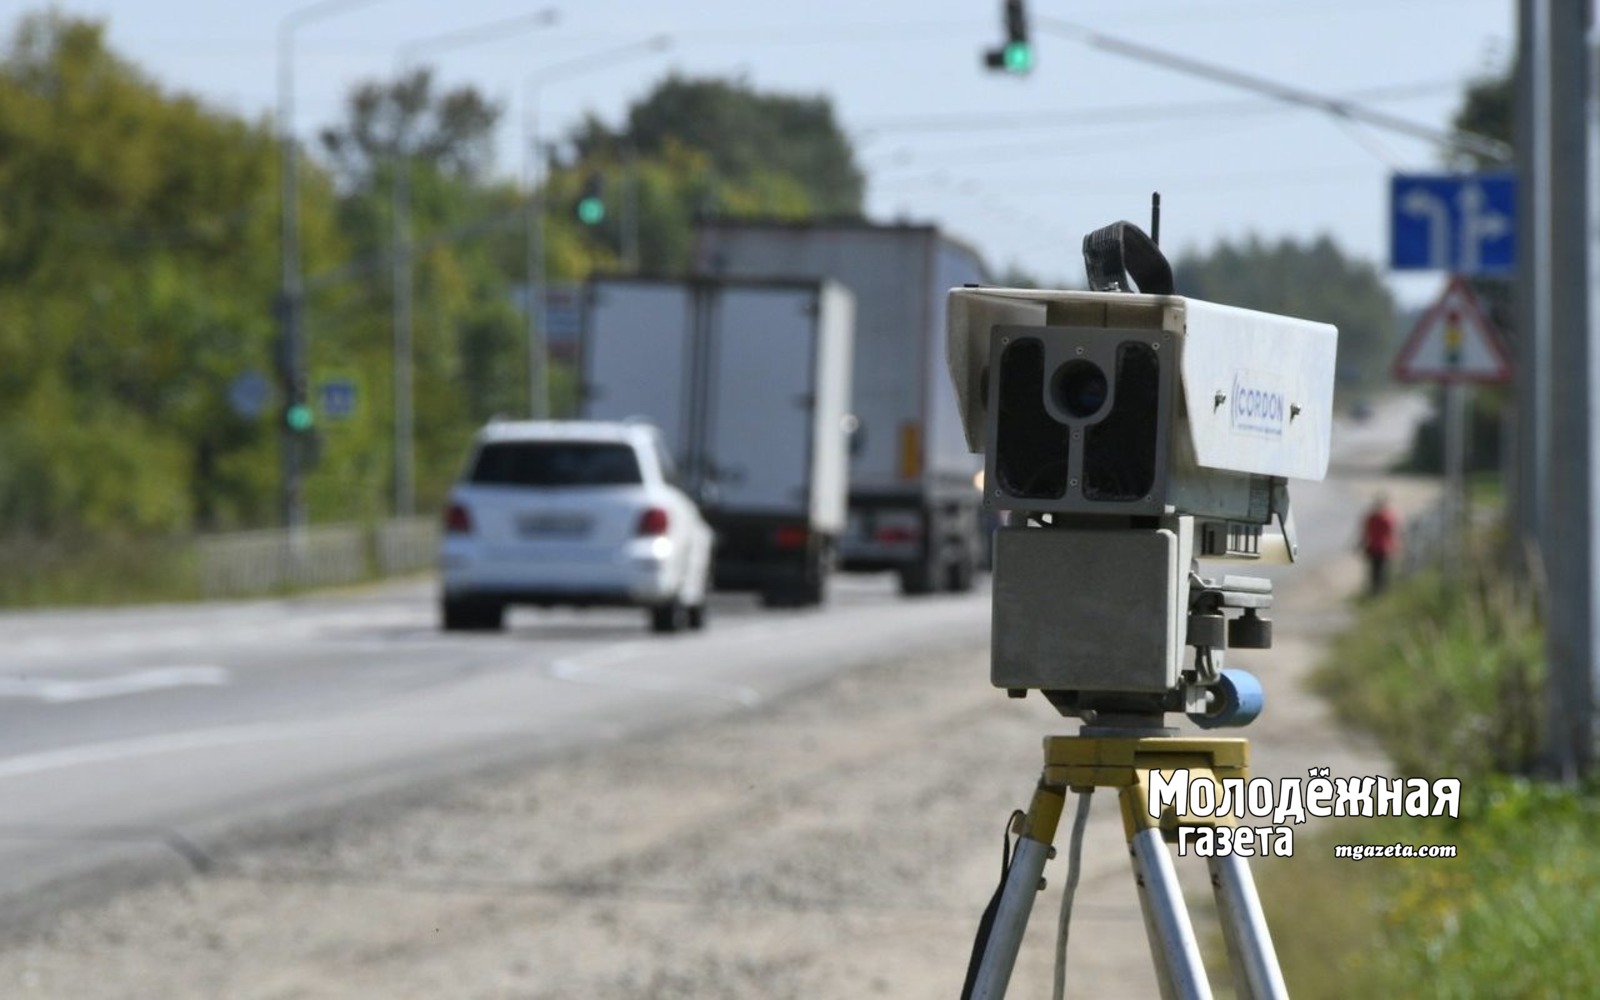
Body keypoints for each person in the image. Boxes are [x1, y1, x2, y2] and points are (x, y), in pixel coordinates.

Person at [1360, 495, 1400, 595]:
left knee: (1374, 571)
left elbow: (1365, 533)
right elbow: (1392, 533)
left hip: (1373, 547)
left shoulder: (1371, 518)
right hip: (1383, 548)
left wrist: (1362, 544)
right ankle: (1381, 591)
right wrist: (1395, 545)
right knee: (1383, 571)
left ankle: (1374, 590)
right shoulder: (1387, 518)